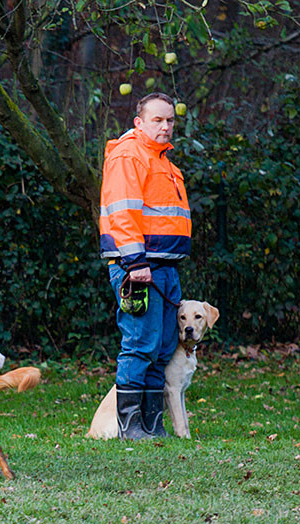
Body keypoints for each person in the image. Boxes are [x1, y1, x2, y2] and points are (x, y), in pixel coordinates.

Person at [99, 92, 191, 439]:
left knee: (163, 348)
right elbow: (122, 213)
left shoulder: (164, 162)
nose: (165, 126)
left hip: (164, 267)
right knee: (140, 344)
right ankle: (131, 427)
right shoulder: (129, 155)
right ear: (139, 122)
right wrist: (135, 261)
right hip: (139, 266)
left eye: (169, 120)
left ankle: (153, 426)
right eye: (157, 120)